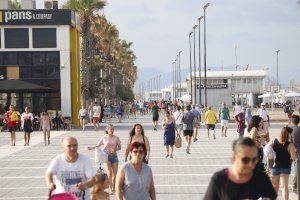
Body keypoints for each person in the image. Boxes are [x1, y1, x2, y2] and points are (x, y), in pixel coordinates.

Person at [204, 137, 277, 199]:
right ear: (234, 157)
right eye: (245, 160)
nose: (250, 164)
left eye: (254, 160)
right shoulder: (219, 179)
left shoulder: (262, 178)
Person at [88, 124, 121, 195]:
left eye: (113, 129)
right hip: (106, 156)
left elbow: (119, 147)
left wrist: (115, 149)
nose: (112, 131)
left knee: (114, 174)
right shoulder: (103, 138)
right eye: (110, 129)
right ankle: (110, 188)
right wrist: (91, 148)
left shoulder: (116, 138)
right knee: (109, 173)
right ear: (107, 130)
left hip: (114, 156)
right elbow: (98, 145)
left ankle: (114, 187)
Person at [268, 127, 297, 200]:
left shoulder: (274, 141)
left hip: (275, 167)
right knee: (284, 187)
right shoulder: (290, 145)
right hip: (285, 167)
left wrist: (268, 165)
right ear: (289, 134)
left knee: (275, 187)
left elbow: (269, 153)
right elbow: (294, 158)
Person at [291, 115, 300, 192]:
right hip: (297, 151)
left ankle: (294, 185)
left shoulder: (289, 129)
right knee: (297, 169)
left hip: (290, 151)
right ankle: (295, 185)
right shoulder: (299, 129)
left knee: (295, 169)